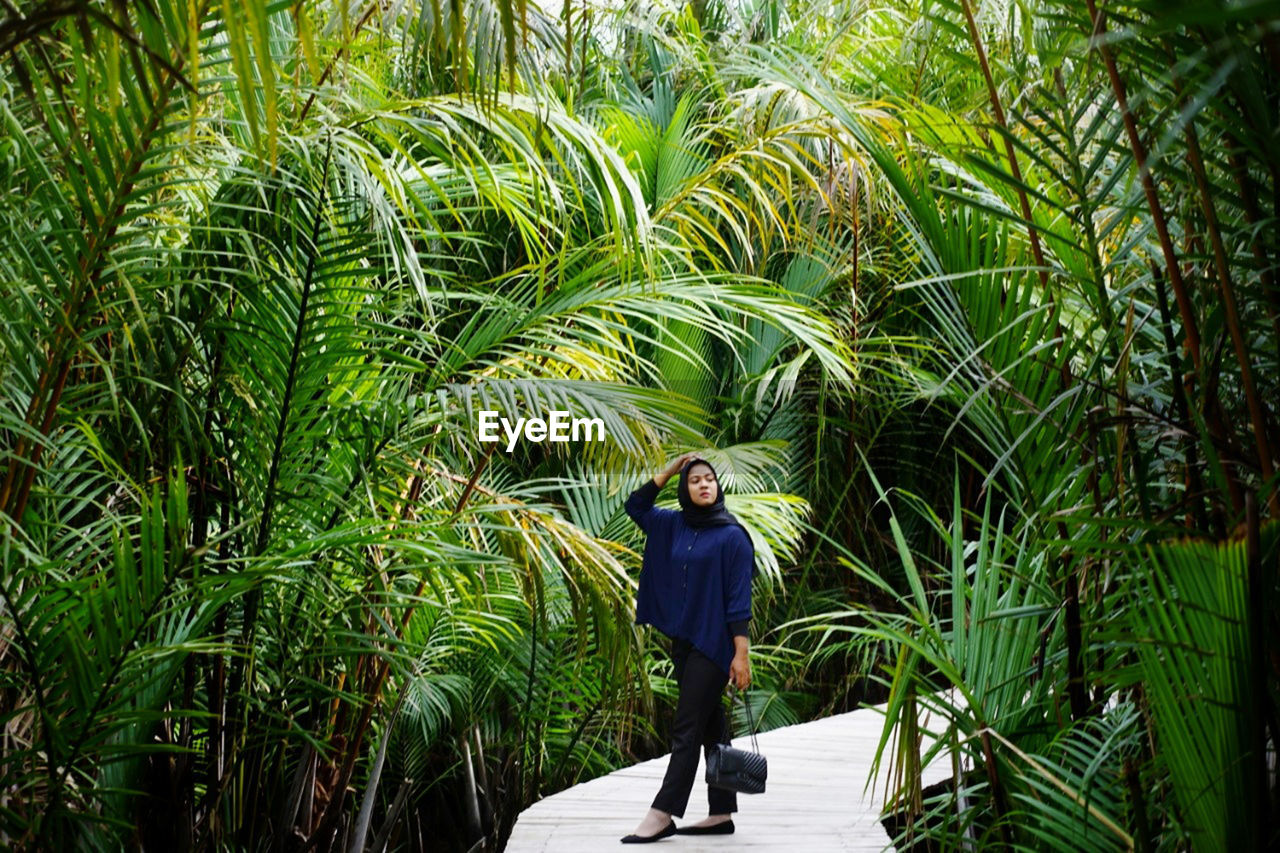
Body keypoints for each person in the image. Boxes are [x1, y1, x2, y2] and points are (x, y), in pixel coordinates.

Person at [619, 453, 755, 844]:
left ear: (718, 486)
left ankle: (663, 813)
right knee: (712, 728)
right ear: (685, 487)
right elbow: (636, 505)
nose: (703, 485)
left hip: (714, 647)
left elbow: (737, 600)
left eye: (709, 479)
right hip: (685, 643)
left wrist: (740, 654)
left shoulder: (732, 536)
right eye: (694, 480)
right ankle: (721, 812)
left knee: (687, 727)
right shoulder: (673, 525)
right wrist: (670, 469)